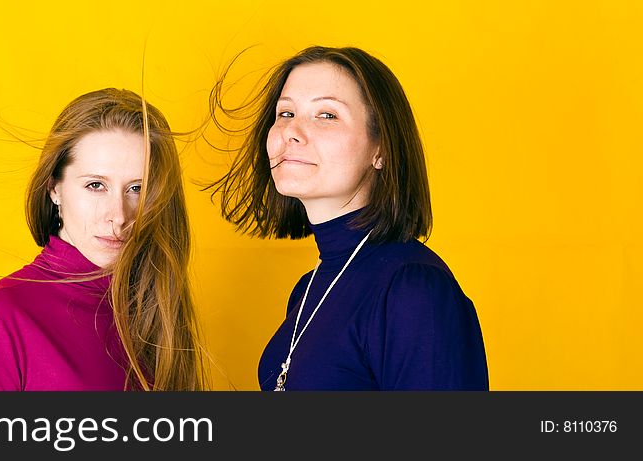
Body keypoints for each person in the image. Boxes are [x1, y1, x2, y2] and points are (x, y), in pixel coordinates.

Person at [208, 46, 488, 390]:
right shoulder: (308, 289)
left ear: (380, 149)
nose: (292, 131)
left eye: (327, 115)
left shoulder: (415, 289)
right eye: (285, 113)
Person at [0, 88, 207, 390]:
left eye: (137, 188)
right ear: (54, 188)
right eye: (96, 185)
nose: (119, 215)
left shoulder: (158, 304)